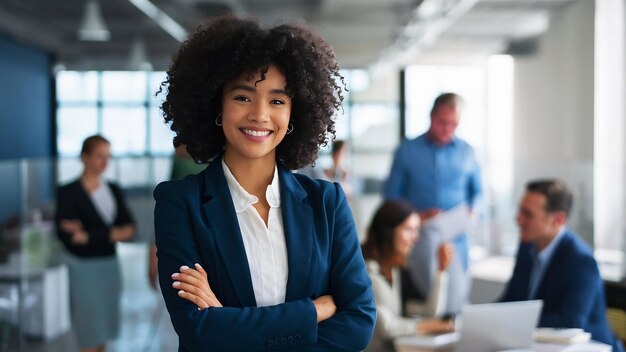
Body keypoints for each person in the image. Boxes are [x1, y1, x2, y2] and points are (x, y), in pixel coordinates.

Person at [153, 14, 376, 351]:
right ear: (217, 105)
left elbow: (358, 324)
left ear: (293, 116)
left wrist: (226, 320)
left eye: (277, 101)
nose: (259, 115)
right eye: (242, 97)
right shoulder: (179, 203)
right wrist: (312, 312)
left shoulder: (326, 202)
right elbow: (196, 327)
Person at [384, 92, 481, 315]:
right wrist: (417, 216)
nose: (448, 129)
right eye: (443, 122)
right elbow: (391, 199)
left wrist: (472, 213)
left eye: (454, 124)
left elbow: (478, 194)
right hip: (420, 237)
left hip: (457, 236)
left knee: (455, 304)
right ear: (431, 117)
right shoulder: (407, 151)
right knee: (435, 305)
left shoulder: (467, 152)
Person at [500, 179, 624, 352]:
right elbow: (511, 300)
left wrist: (511, 321)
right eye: (520, 210)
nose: (518, 218)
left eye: (528, 214)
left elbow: (570, 321)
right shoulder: (527, 247)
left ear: (558, 219)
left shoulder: (581, 260)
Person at [55, 135, 135, 352]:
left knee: (104, 332)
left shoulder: (114, 189)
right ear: (85, 157)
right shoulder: (68, 192)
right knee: (88, 332)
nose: (105, 162)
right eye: (100, 156)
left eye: (108, 156)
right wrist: (111, 234)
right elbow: (70, 238)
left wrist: (89, 235)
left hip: (109, 266)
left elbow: (130, 230)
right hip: (84, 269)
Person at [361, 200, 454, 352]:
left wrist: (441, 271)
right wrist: (429, 326)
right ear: (388, 231)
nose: (415, 237)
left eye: (417, 230)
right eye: (409, 229)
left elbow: (430, 312)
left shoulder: (395, 270)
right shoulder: (367, 270)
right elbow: (387, 328)